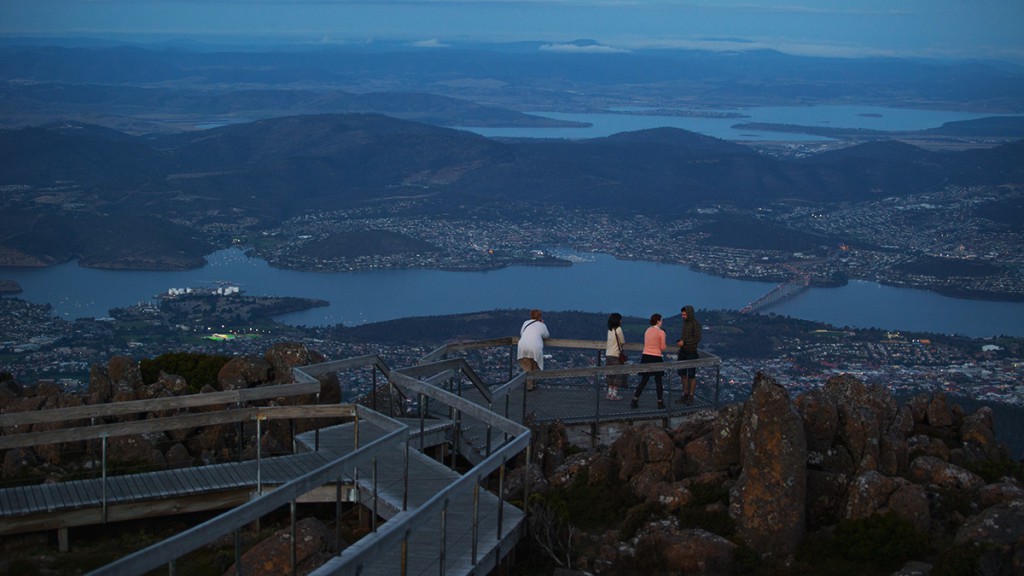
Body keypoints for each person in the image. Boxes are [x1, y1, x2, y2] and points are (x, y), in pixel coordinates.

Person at [631, 313, 666, 409]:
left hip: (646, 356)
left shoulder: (647, 330)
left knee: (644, 380)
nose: (662, 322)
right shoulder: (661, 332)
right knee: (658, 381)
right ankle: (660, 402)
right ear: (658, 321)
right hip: (656, 357)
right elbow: (662, 347)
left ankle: (635, 399)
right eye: (661, 320)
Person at [676, 305, 702, 404]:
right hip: (683, 351)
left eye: (684, 314)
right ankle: (685, 394)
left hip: (691, 352)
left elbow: (697, 337)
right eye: (682, 314)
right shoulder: (685, 323)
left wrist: (685, 342)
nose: (683, 316)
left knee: (691, 374)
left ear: (689, 314)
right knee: (682, 373)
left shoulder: (695, 324)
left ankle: (691, 396)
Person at [517, 309, 549, 390]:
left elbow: (521, 333)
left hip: (523, 346)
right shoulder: (542, 325)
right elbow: (546, 335)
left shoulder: (525, 323)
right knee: (535, 366)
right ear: (540, 316)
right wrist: (542, 323)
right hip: (535, 347)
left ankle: (529, 386)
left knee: (526, 367)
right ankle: (533, 384)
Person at [604, 312, 627, 400]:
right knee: (617, 375)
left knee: (610, 374)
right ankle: (614, 395)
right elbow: (622, 341)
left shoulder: (610, 330)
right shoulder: (618, 329)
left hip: (608, 354)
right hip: (616, 354)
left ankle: (609, 393)